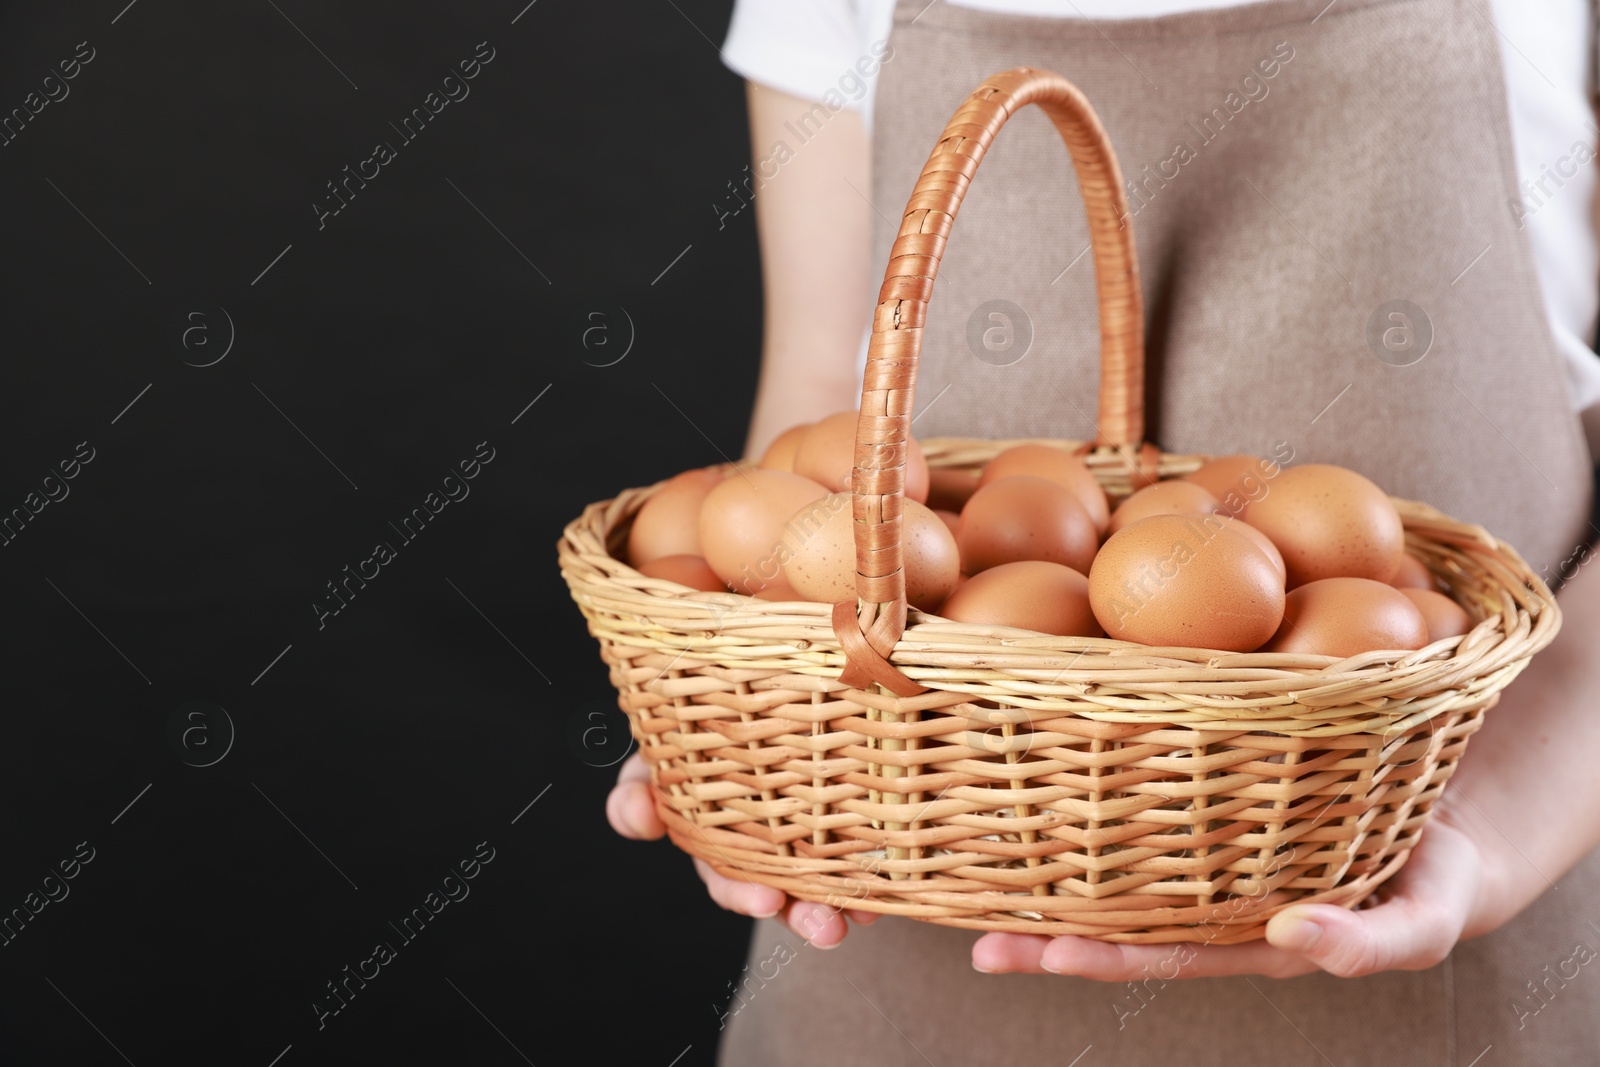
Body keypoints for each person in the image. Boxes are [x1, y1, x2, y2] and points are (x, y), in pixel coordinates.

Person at [610, 0, 1600, 1061]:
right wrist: (764, 722)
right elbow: (816, 397)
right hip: (903, 880)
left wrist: (1494, 824)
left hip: (1438, 856)